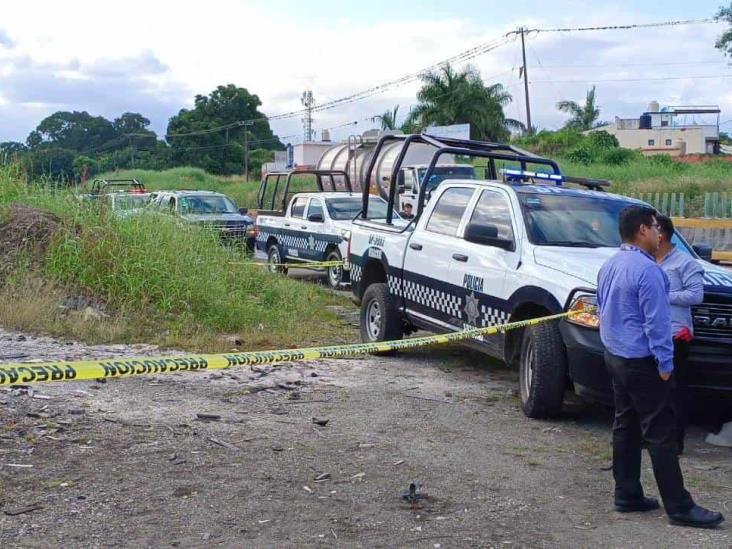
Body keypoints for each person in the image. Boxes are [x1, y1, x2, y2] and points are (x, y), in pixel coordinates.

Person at [597, 205, 723, 528]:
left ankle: (627, 494)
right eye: (655, 227)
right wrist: (665, 363)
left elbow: (603, 307)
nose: (660, 234)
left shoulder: (611, 264)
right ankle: (680, 507)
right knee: (660, 432)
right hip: (641, 361)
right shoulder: (648, 270)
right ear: (642, 230)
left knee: (625, 425)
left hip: (616, 355)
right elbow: (657, 323)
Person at [655, 215, 704, 454]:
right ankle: (653, 438)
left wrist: (663, 296)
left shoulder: (685, 263)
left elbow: (696, 296)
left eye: (651, 228)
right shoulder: (647, 261)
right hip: (650, 334)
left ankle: (675, 443)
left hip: (676, 334)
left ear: (661, 234)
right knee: (652, 390)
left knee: (674, 390)